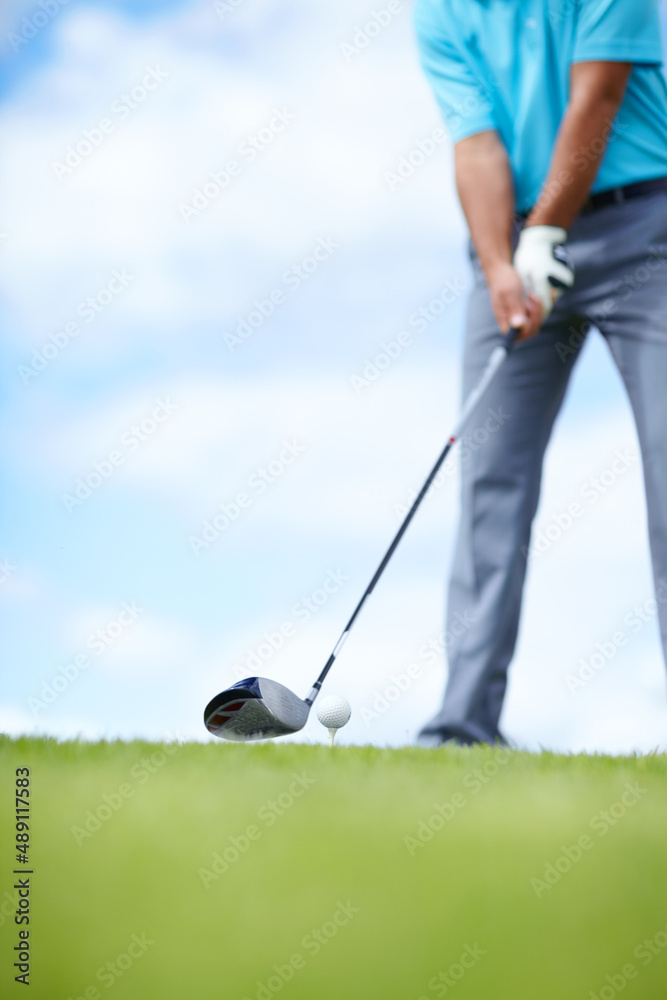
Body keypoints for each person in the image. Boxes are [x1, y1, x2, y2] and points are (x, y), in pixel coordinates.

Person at [413, 0, 667, 746]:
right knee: (490, 479)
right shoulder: (441, 12)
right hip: (514, 249)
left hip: (642, 234)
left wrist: (547, 228)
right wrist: (499, 264)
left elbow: (599, 94)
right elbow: (476, 145)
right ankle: (461, 726)